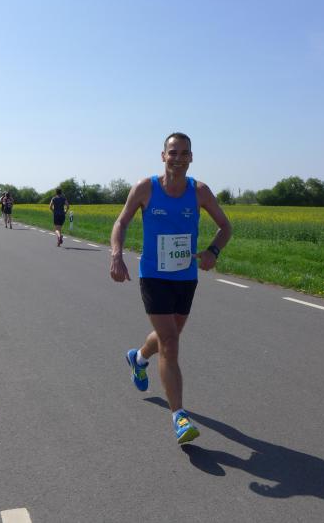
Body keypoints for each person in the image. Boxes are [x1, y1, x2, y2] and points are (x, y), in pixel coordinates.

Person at [110, 132, 232, 444]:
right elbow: (121, 222)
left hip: (185, 276)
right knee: (170, 341)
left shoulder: (199, 191)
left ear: (191, 158)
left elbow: (225, 226)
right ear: (163, 156)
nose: (178, 158)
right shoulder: (146, 188)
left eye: (184, 153)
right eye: (173, 152)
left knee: (171, 335)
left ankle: (138, 358)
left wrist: (213, 251)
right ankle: (179, 416)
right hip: (153, 275)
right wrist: (116, 256)